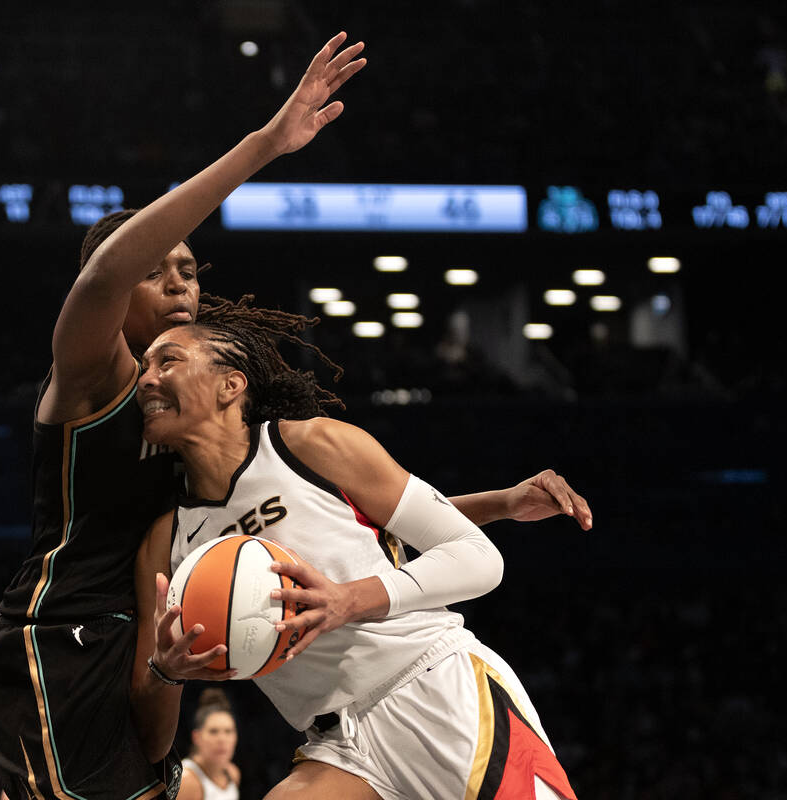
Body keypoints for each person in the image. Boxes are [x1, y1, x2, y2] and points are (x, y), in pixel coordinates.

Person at [0, 32, 369, 800]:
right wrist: (264, 145)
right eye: (155, 272)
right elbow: (106, 271)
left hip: (154, 650)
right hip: (63, 639)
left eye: (188, 270)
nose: (179, 284)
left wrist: (482, 509)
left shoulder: (202, 412)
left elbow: (323, 516)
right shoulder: (91, 378)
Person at [132, 312, 584, 800]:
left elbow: (477, 557)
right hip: (340, 745)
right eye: (144, 367)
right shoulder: (167, 542)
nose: (147, 379)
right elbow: (151, 743)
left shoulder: (308, 444)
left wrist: (346, 600)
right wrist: (167, 674)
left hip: (435, 691)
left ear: (231, 384)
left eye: (168, 361)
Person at [178, 689, 241, 800]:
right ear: (196, 737)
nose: (222, 739)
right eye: (213, 731)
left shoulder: (233, 773)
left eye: (228, 731)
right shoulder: (186, 781)